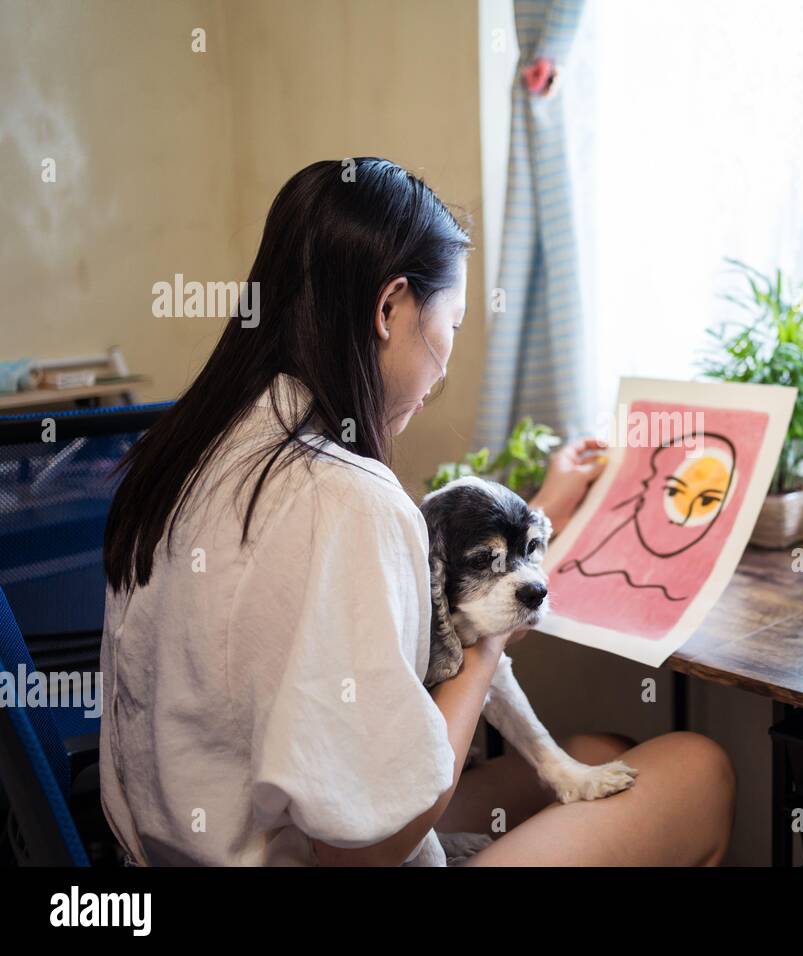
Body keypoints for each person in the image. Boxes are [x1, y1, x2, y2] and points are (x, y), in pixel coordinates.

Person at [99, 158, 734, 866]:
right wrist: (490, 639)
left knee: (597, 753)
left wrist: (539, 516)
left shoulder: (180, 453)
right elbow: (373, 850)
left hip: (185, 848)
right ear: (390, 307)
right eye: (453, 322)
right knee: (697, 769)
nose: (445, 367)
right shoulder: (345, 498)